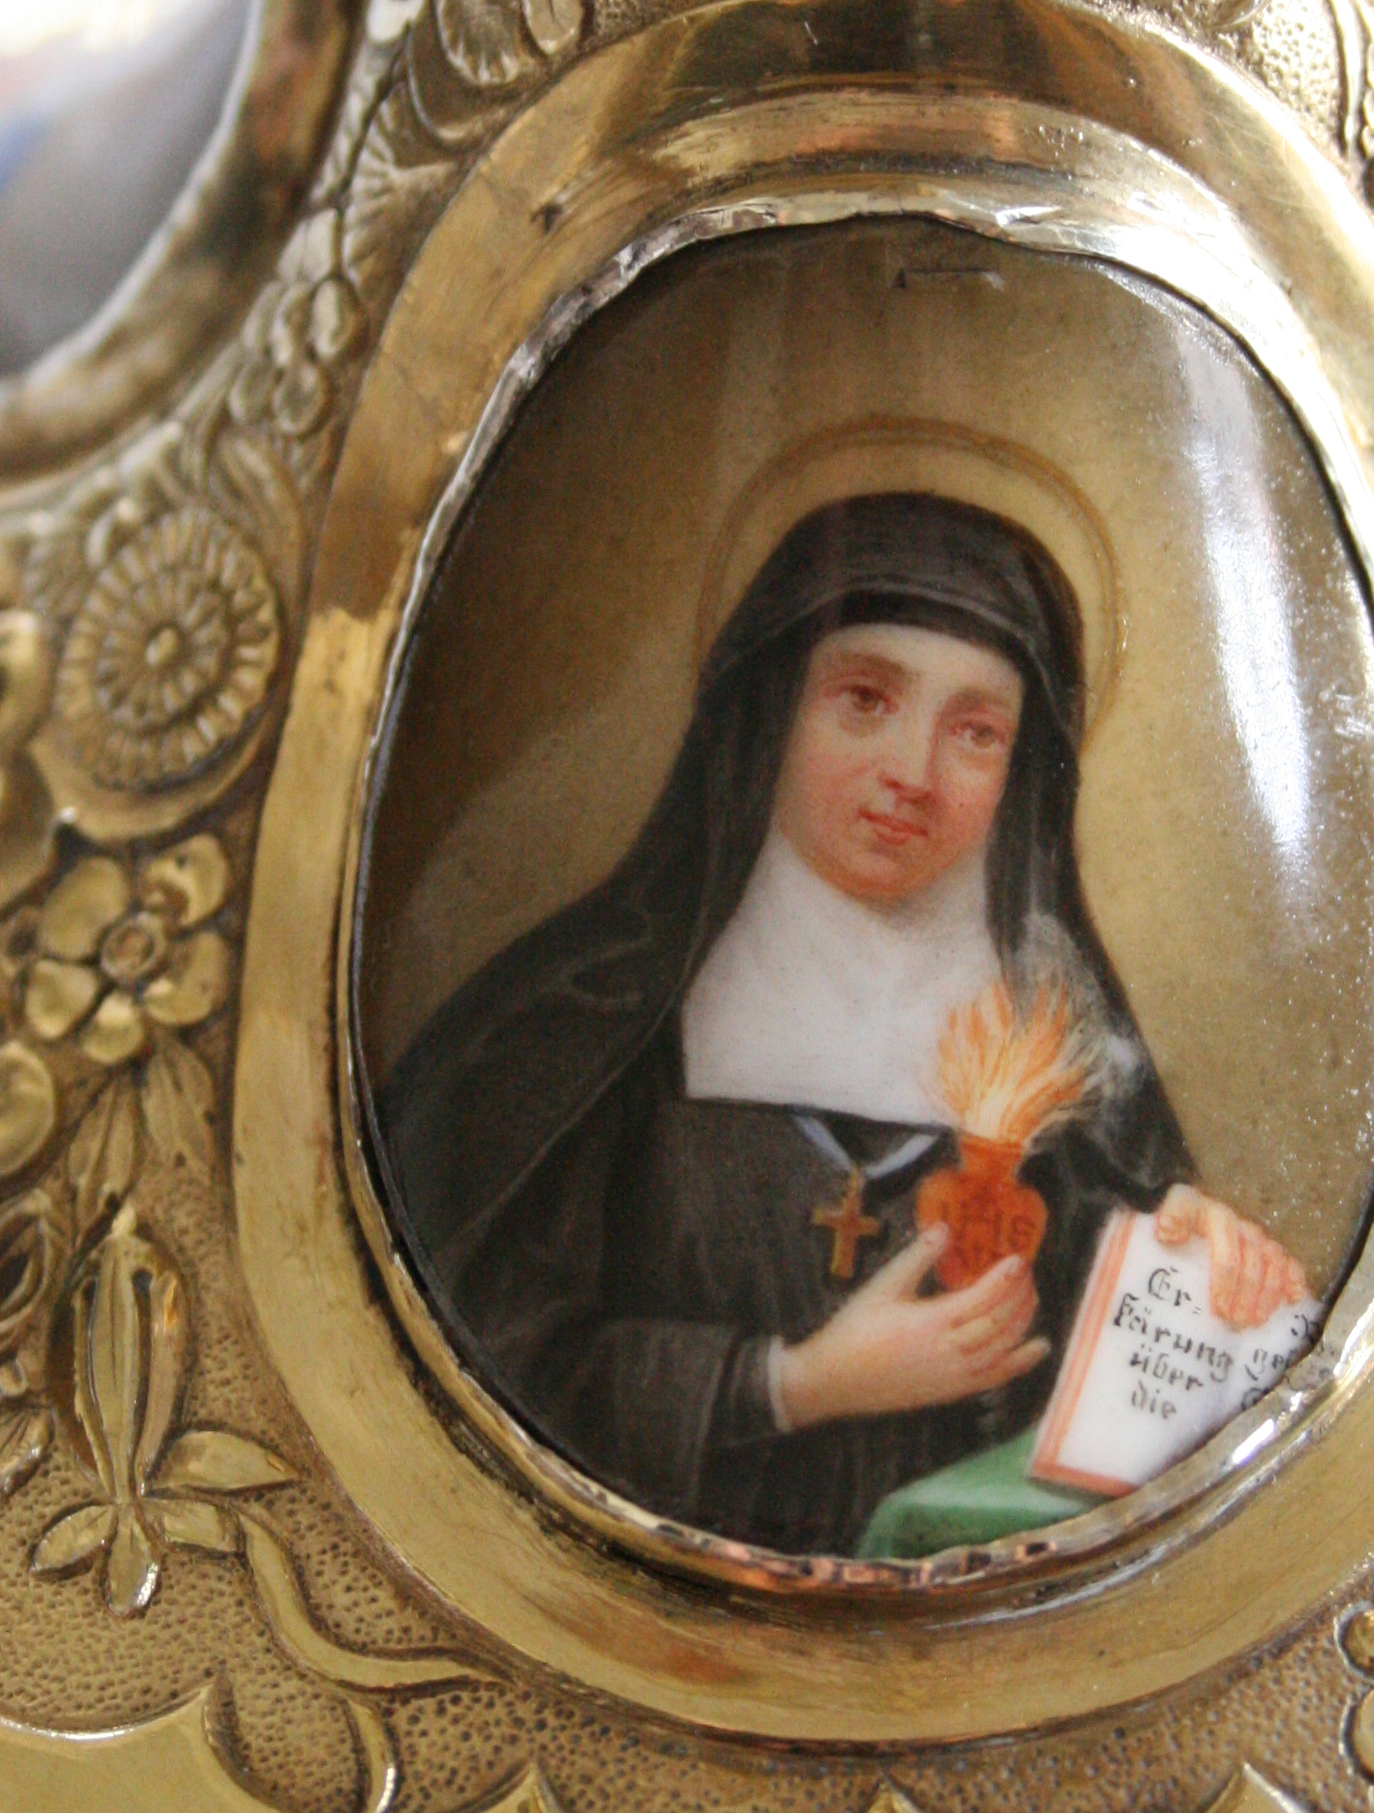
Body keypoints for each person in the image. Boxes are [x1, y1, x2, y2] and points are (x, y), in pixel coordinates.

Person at [372, 490, 1304, 1560]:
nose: (912, 773)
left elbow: (1117, 1419)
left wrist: (1191, 1274)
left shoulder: (1063, 1070)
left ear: (1019, 772)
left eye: (975, 732)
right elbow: (474, 1363)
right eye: (865, 700)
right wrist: (791, 1384)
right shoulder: (580, 1030)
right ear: (774, 711)